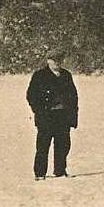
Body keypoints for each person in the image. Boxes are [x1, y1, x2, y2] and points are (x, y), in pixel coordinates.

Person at [26, 49, 78, 180]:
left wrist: (72, 116)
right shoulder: (39, 75)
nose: (57, 63)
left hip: (63, 117)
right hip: (46, 117)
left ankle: (60, 171)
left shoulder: (66, 75)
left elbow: (73, 96)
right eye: (54, 60)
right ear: (48, 61)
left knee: (63, 145)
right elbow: (31, 95)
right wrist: (40, 110)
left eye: (59, 60)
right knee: (43, 146)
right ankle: (40, 173)